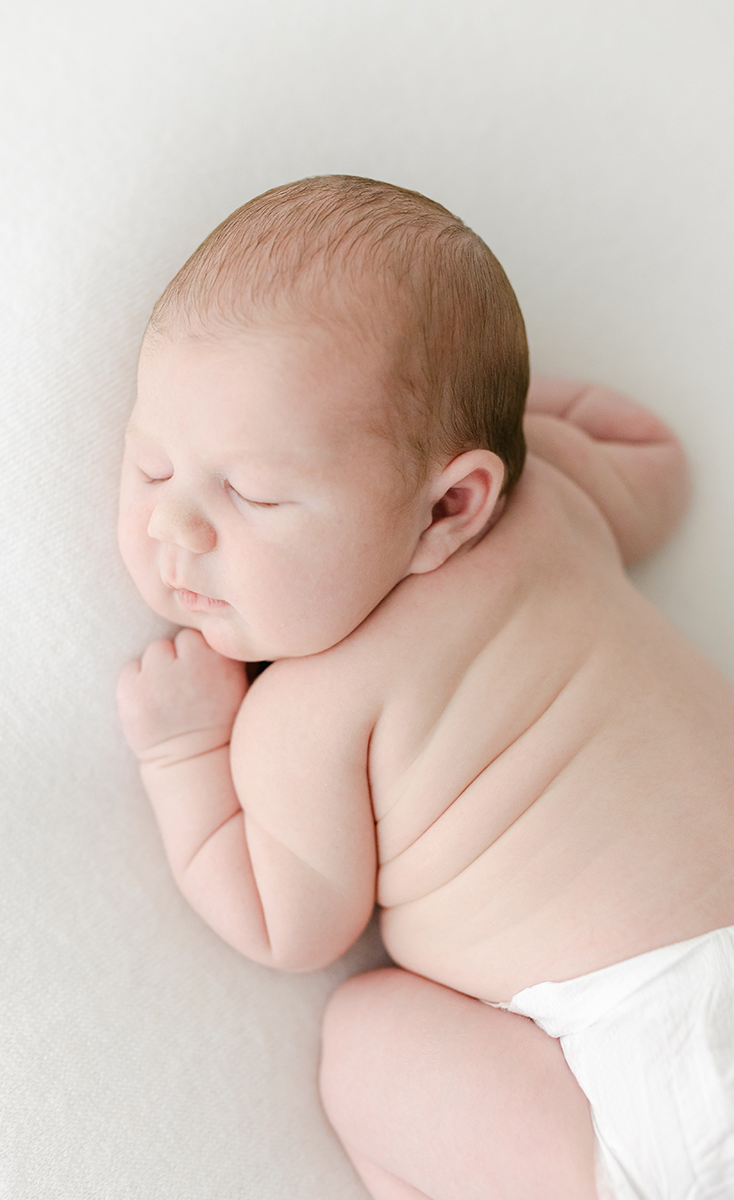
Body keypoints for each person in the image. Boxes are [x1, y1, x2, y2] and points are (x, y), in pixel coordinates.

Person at [116, 175, 734, 1199]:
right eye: (149, 469)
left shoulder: (302, 717)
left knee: (364, 1037)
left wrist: (181, 758)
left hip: (654, 1066)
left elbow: (287, 926)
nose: (172, 529)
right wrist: (498, 402)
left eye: (252, 493)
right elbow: (651, 457)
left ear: (450, 502)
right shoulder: (552, 499)